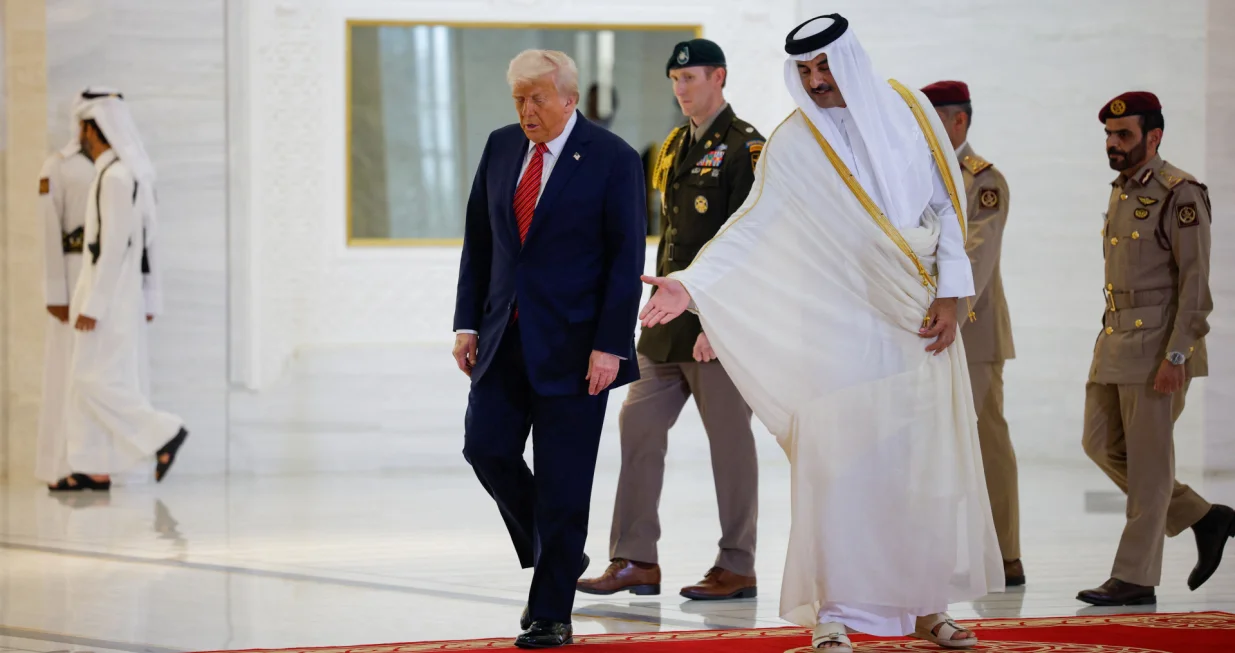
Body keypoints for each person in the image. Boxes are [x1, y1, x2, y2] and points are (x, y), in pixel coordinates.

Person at [637, 14, 1002, 651]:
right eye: (804, 71)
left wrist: (953, 295)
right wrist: (690, 284)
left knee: (917, 468)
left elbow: (946, 206)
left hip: (916, 321)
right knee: (839, 468)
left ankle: (925, 605)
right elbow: (752, 224)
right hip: (839, 325)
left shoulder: (910, 114)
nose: (816, 81)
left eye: (824, 66)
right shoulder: (796, 142)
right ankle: (832, 610)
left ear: (849, 59)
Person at [452, 49, 646, 648]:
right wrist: (466, 323)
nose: (526, 109)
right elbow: (480, 243)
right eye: (518, 98)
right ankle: (557, 546)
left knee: (565, 480)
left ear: (570, 98)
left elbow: (625, 258)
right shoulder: (501, 146)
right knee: (485, 450)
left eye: (537, 97)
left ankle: (550, 611)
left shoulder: (612, 158)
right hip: (501, 337)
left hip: (578, 347)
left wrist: (611, 344)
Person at [578, 38, 764, 602]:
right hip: (664, 326)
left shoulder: (747, 148)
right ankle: (635, 559)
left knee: (729, 445)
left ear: (719, 77)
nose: (681, 90)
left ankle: (737, 564)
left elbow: (751, 244)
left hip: (717, 328)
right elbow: (672, 239)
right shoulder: (671, 147)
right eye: (674, 81)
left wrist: (721, 321)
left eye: (691, 79)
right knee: (637, 428)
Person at [1077, 91, 1233, 606]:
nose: (1112, 144)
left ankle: (1136, 577)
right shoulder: (1123, 190)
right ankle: (1204, 517)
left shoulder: (1180, 193)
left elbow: (1196, 283)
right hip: (1116, 341)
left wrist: (1178, 356)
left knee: (1148, 467)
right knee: (1099, 444)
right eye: (1108, 135)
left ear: (1154, 136)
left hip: (1159, 347)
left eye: (1123, 135)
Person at [50, 92, 189, 493]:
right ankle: (93, 466)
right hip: (107, 293)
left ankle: (165, 432)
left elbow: (115, 248)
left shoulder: (115, 178)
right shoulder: (116, 175)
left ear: (95, 129)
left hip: (107, 297)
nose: (79, 135)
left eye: (82, 127)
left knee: (91, 378)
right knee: (87, 381)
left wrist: (94, 304)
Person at [922, 80, 1023, 587]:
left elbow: (977, 257)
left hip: (971, 329)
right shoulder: (918, 176)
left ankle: (1005, 554)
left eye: (931, 116)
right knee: (933, 446)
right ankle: (945, 552)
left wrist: (951, 314)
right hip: (925, 330)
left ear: (957, 121)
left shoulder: (983, 181)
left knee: (985, 440)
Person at [36, 89, 104, 486]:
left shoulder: (116, 166)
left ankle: (97, 461)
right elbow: (49, 233)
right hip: (72, 270)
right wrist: (55, 294)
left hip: (105, 277)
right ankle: (61, 463)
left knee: (99, 371)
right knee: (65, 368)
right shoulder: (57, 167)